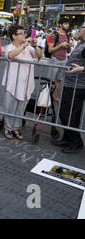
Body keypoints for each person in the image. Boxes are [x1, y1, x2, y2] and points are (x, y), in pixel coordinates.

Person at [2, 25, 42, 140]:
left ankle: (16, 127)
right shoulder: (9, 47)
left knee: (21, 107)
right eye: (21, 33)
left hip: (26, 81)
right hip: (13, 81)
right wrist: (24, 45)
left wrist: (35, 46)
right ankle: (8, 128)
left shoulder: (29, 48)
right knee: (10, 106)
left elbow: (39, 56)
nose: (24, 35)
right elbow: (10, 55)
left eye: (24, 33)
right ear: (14, 36)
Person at [51, 22, 85, 153]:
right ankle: (67, 138)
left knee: (67, 113)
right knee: (72, 114)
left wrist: (82, 68)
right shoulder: (81, 43)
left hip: (78, 86)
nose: (79, 29)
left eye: (82, 27)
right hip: (70, 83)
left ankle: (75, 142)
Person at [48, 19, 71, 101]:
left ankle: (55, 96)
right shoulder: (54, 35)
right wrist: (61, 45)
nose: (67, 25)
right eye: (65, 23)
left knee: (59, 80)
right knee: (50, 80)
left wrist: (68, 47)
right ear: (60, 25)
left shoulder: (67, 36)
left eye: (68, 23)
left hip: (64, 60)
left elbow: (68, 51)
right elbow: (50, 50)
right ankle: (46, 97)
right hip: (55, 59)